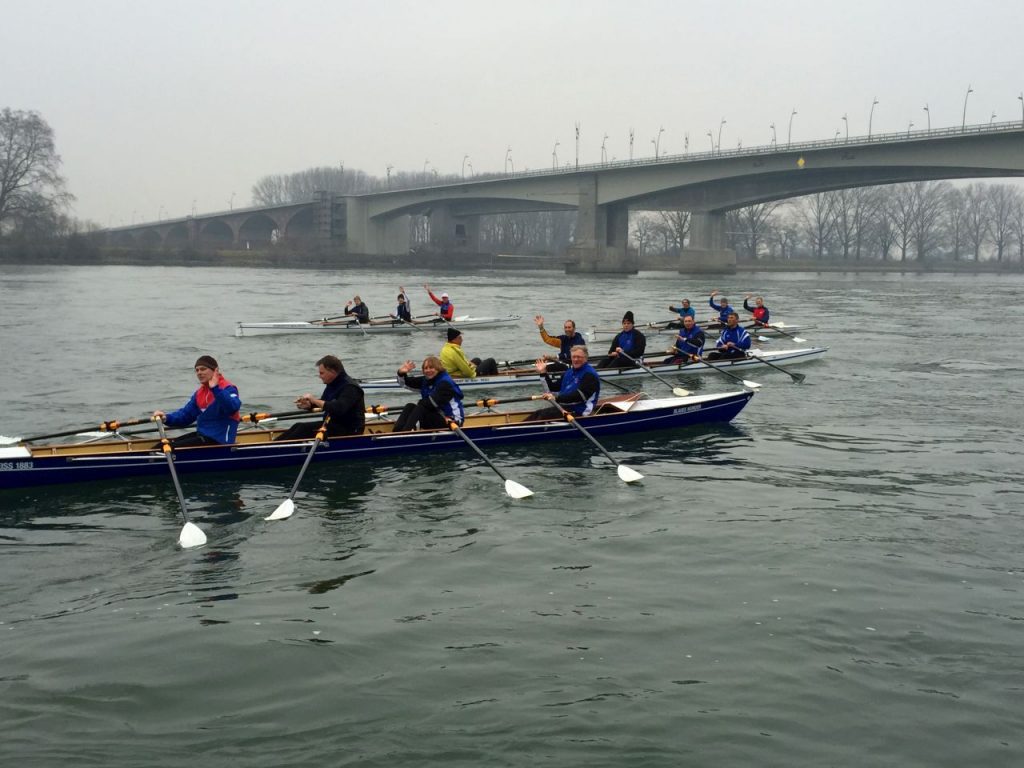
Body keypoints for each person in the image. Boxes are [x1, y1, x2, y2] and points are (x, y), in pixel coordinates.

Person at [153, 355, 241, 447]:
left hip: (220, 441)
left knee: (169, 447)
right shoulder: (200, 393)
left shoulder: (228, 388)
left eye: (203, 369)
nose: (199, 373)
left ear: (216, 371)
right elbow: (185, 415)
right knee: (160, 446)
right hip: (204, 436)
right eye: (197, 370)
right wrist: (166, 418)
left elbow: (232, 407)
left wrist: (215, 388)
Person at [273, 355, 365, 441]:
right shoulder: (333, 384)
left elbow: (338, 408)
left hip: (350, 430)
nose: (320, 376)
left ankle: (276, 449)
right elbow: (324, 404)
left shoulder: (350, 387)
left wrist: (314, 400)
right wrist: (309, 405)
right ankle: (272, 445)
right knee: (298, 425)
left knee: (303, 428)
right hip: (332, 425)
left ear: (332, 371)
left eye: (322, 373)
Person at [527, 345, 601, 421]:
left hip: (581, 410)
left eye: (579, 357)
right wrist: (543, 373)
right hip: (565, 408)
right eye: (574, 357)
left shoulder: (589, 374)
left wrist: (557, 398)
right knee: (537, 414)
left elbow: (579, 396)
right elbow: (552, 389)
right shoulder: (569, 372)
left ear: (586, 358)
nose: (576, 359)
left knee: (542, 416)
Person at [393, 355, 465, 431]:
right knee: (409, 406)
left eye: (431, 367)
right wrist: (401, 373)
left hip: (452, 421)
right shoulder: (426, 380)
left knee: (421, 406)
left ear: (438, 368)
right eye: (426, 368)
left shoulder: (445, 383)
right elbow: (405, 383)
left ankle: (406, 433)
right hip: (437, 416)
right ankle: (396, 432)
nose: (428, 370)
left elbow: (430, 403)